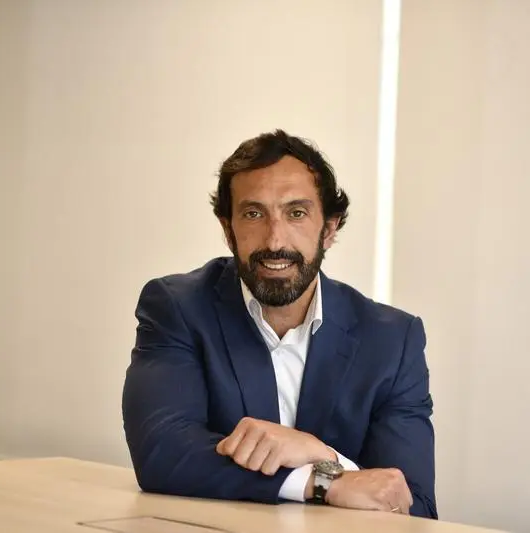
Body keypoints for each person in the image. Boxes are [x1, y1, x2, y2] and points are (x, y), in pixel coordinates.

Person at [122, 129, 437, 518]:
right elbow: (162, 453)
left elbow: (415, 506)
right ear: (228, 229)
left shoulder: (392, 340)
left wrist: (321, 454)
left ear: (329, 229)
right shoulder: (179, 309)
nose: (275, 241)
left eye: (296, 213)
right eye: (254, 214)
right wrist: (321, 481)